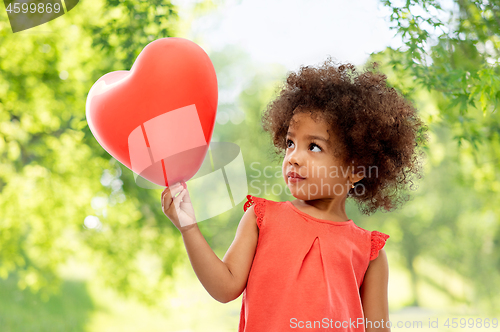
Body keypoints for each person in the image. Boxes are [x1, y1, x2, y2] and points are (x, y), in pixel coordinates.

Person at [161, 58, 428, 332]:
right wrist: (189, 228)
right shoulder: (261, 219)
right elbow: (225, 287)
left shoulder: (369, 252)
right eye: (290, 143)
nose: (293, 158)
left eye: (313, 147)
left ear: (356, 169)